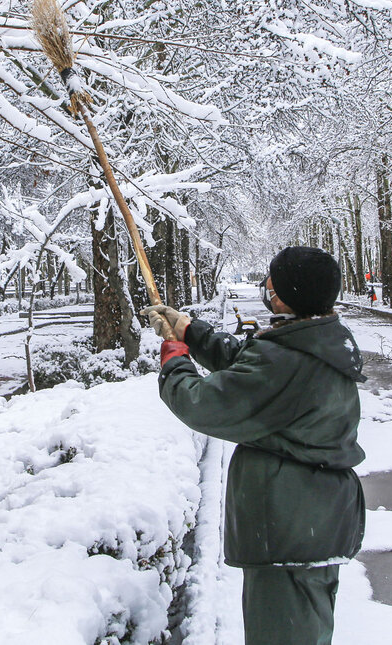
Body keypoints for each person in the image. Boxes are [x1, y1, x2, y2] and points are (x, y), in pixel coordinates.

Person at [146, 246, 366, 645]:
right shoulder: (315, 341)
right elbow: (250, 363)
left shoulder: (288, 361)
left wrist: (174, 359)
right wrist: (191, 333)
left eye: (273, 281)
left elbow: (205, 403)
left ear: (284, 295)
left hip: (290, 531)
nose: (266, 286)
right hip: (311, 523)